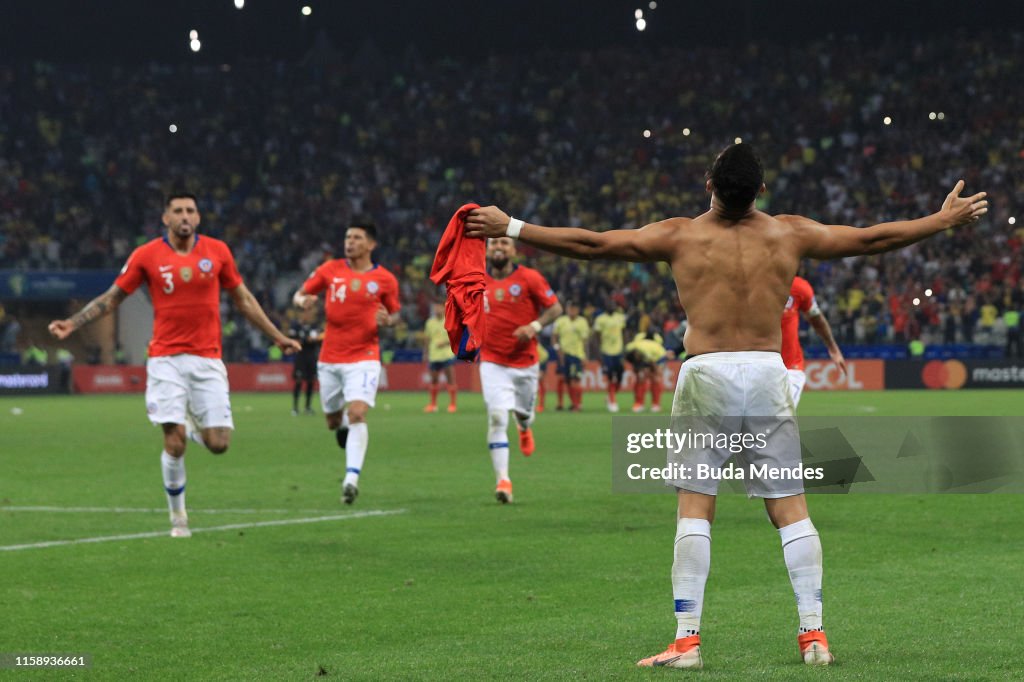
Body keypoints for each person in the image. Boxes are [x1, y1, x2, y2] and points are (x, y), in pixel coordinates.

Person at [466, 143, 987, 668]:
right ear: (761, 189)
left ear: (708, 185)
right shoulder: (790, 232)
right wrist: (941, 220)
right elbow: (874, 238)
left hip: (706, 374)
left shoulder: (681, 235)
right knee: (790, 508)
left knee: (696, 506)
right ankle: (813, 636)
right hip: (767, 372)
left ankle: (687, 641)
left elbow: (594, 245)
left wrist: (512, 226)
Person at [48, 193, 300, 538]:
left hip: (208, 358)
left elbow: (243, 299)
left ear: (198, 218)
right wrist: (74, 323)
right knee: (174, 441)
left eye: (191, 211)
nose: (185, 216)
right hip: (165, 359)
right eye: (178, 211)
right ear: (165, 218)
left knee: (218, 444)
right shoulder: (146, 255)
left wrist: (277, 336)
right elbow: (113, 297)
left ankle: (195, 426)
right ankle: (178, 515)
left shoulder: (218, 252)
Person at [293, 223, 400, 506]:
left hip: (364, 357)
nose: (350, 242)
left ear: (371, 245)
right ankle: (342, 427)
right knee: (333, 422)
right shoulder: (330, 269)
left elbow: (395, 315)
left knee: (356, 413)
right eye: (347, 237)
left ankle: (351, 479)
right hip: (330, 359)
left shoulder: (385, 279)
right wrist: (303, 300)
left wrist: (388, 321)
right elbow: (299, 293)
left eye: (357, 238)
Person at [480, 236, 562, 503]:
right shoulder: (478, 280)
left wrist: (534, 327)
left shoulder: (529, 278)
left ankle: (524, 428)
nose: (499, 247)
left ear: (513, 250)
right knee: (496, 417)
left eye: (504, 243)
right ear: (487, 250)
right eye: (494, 244)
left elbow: (555, 307)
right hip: (492, 360)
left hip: (525, 361)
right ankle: (503, 480)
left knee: (524, 414)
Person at [782, 276, 846, 407]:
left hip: (790, 368)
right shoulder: (752, 283)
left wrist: (833, 347)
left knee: (777, 419)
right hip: (757, 365)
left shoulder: (798, 287)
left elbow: (816, 318)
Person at [552, 301, 590, 411]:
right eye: (570, 308)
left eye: (574, 308)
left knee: (574, 380)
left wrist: (585, 356)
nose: (572, 311)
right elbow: (554, 336)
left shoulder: (582, 322)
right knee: (563, 379)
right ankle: (562, 403)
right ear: (566, 309)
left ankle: (577, 404)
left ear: (578, 310)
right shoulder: (561, 321)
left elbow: (585, 341)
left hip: (576, 355)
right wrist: (557, 348)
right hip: (563, 355)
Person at [423, 302, 458, 413]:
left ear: (444, 308)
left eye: (439, 307)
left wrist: (446, 343)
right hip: (434, 355)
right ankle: (433, 405)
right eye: (435, 307)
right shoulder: (429, 322)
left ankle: (452, 404)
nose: (437, 309)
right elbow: (427, 339)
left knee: (450, 378)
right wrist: (426, 353)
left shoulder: (450, 320)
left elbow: (455, 337)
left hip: (447, 354)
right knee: (434, 380)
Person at [289, 305, 323, 415]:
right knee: (298, 380)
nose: (307, 315)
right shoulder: (296, 325)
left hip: (312, 356)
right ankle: (295, 408)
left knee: (311, 381)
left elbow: (321, 339)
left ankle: (308, 407)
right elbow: (294, 340)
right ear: (301, 314)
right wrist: (306, 340)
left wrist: (316, 339)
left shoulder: (315, 326)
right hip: (300, 356)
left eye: (309, 312)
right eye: (305, 312)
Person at [594, 304, 627, 412]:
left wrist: (624, 348)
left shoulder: (620, 317)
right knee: (611, 377)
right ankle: (612, 401)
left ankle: (610, 396)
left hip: (618, 351)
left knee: (620, 377)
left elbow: (624, 333)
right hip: (606, 351)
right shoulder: (600, 319)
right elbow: (596, 336)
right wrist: (599, 353)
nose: (612, 306)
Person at [624, 330, 667, 412]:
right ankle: (655, 405)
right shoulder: (658, 346)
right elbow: (663, 358)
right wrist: (658, 370)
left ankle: (638, 404)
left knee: (640, 382)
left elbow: (628, 350)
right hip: (654, 364)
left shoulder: (637, 343)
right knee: (656, 381)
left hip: (640, 364)